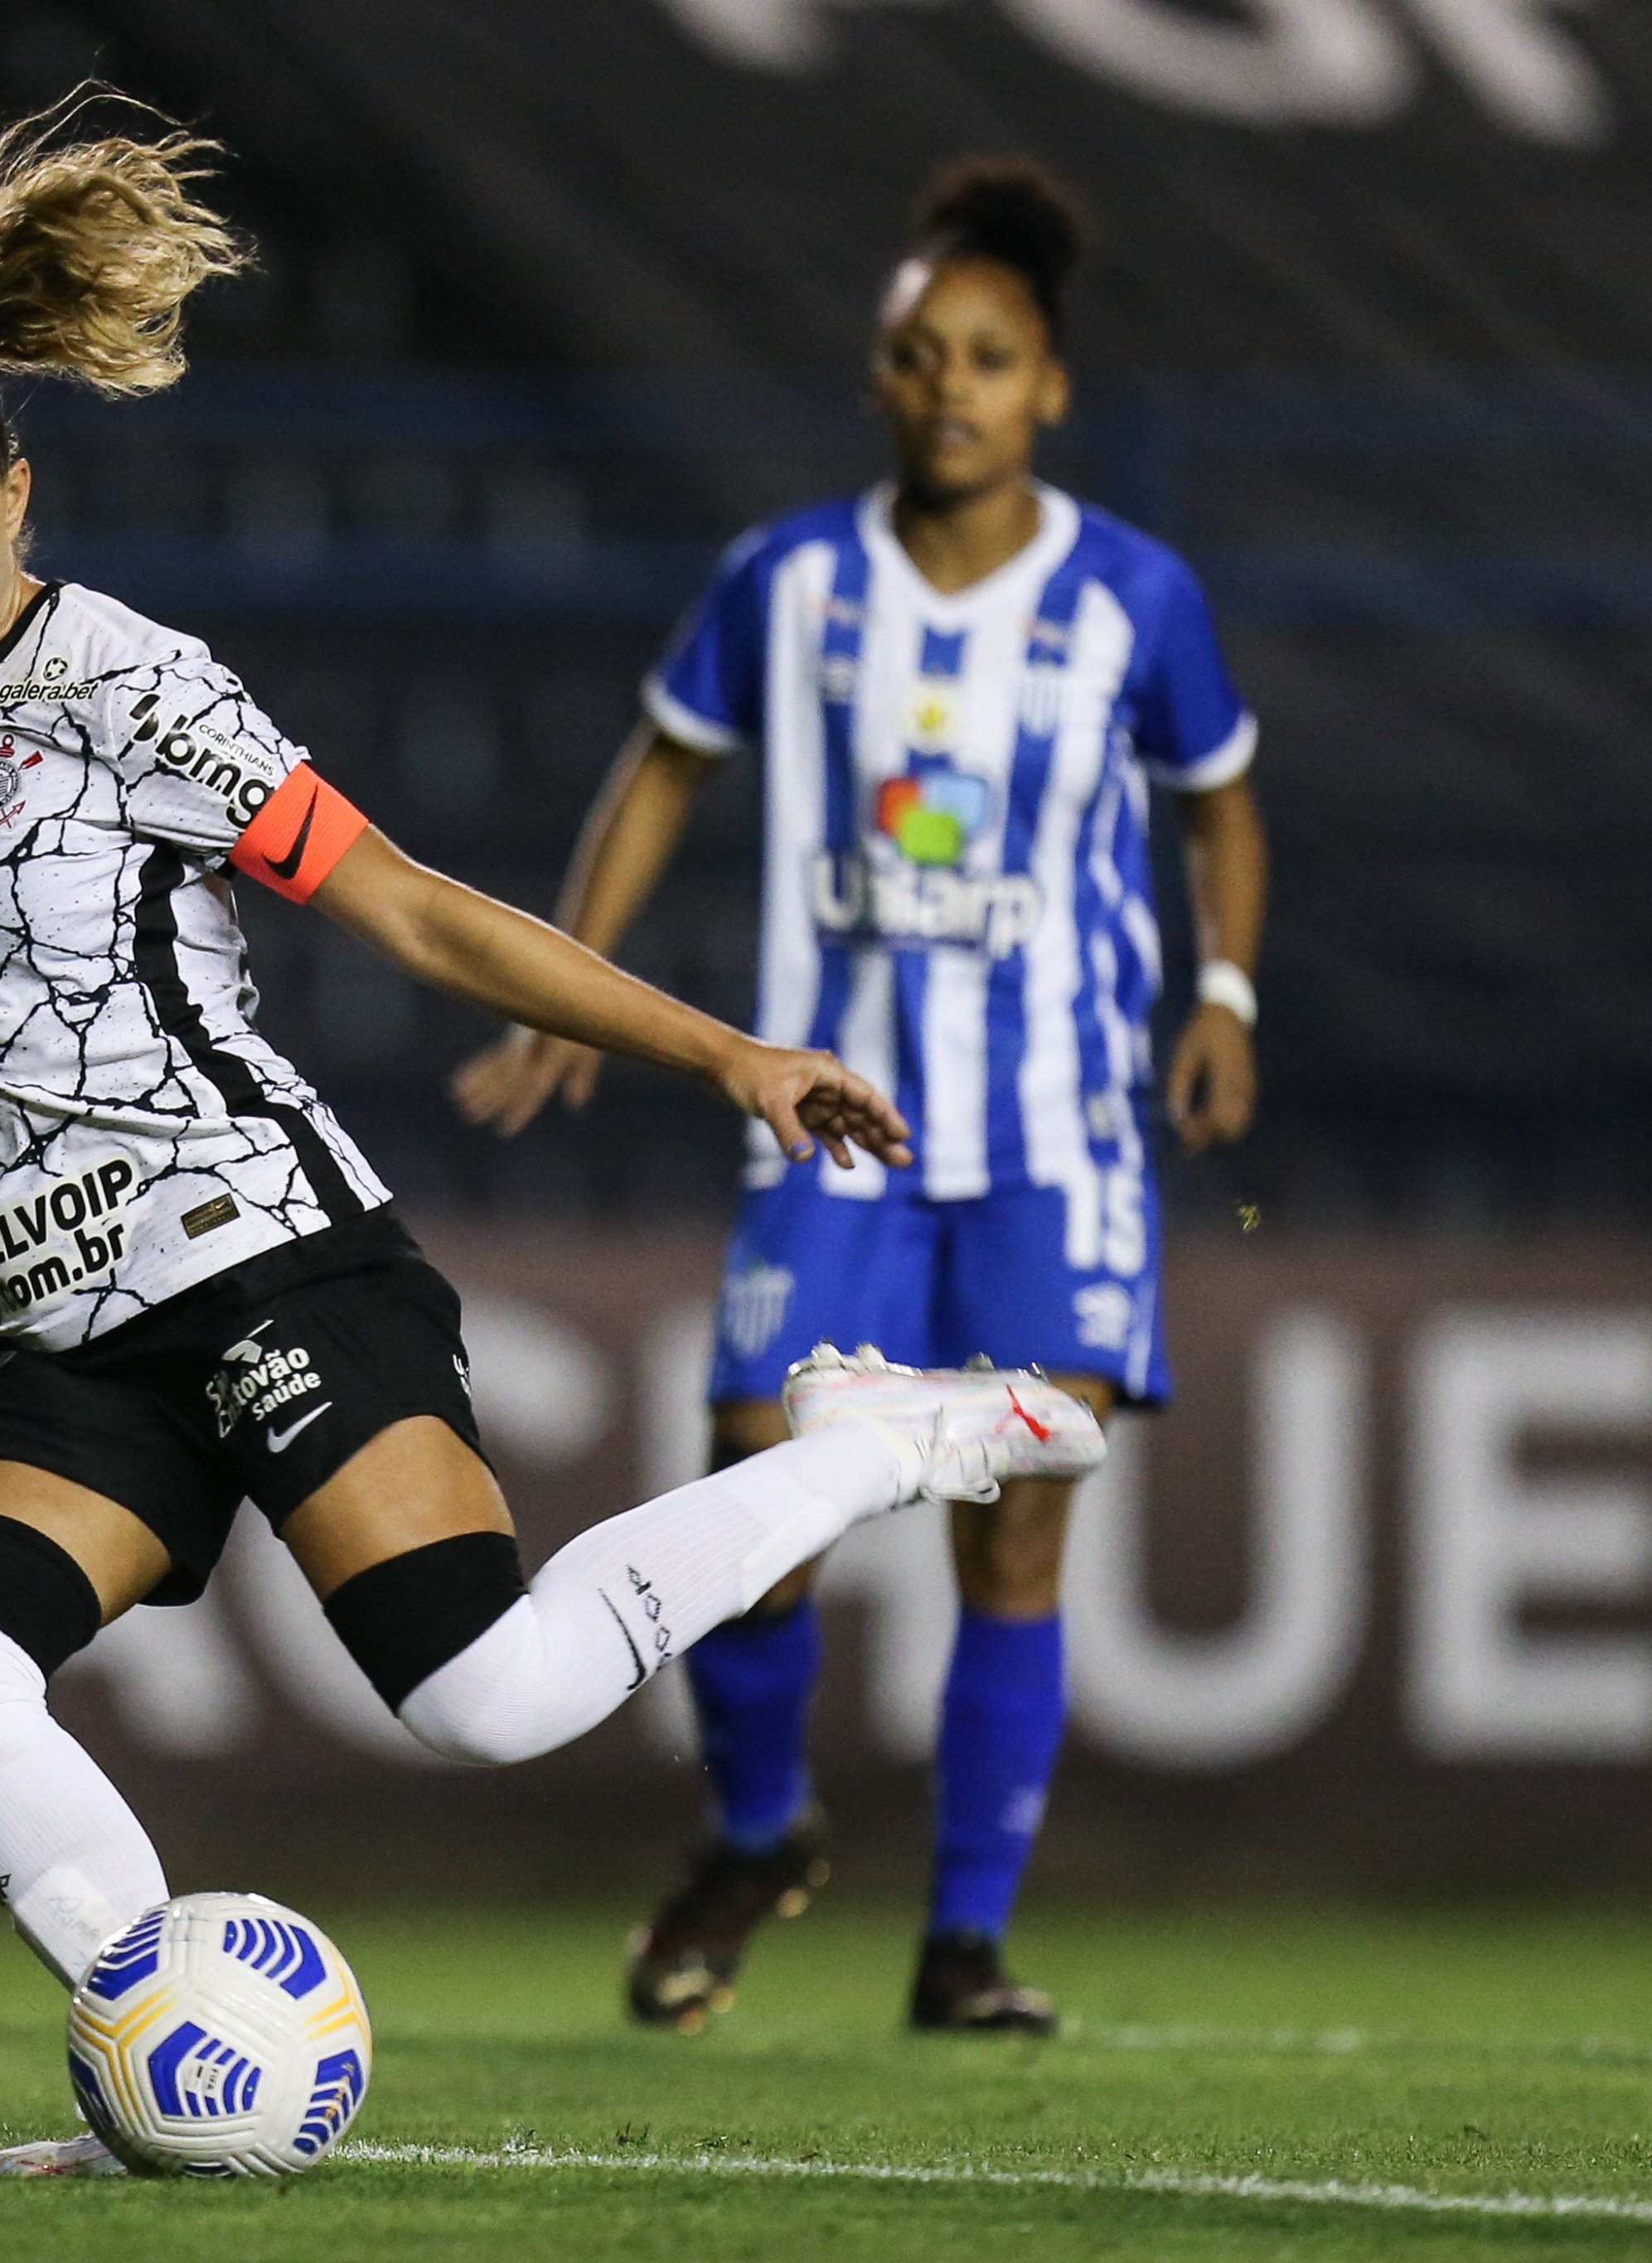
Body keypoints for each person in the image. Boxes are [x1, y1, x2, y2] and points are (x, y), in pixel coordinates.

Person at [0, 100, 1102, 2171]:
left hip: (260, 1248)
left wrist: (724, 1055)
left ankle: (878, 1440)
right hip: (69, 1327)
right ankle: (163, 2055)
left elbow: (407, 902)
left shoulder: (131, 688)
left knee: (483, 1698)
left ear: (18, 487)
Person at [455, 160, 1269, 2036]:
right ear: (879, 378)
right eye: (916, 355)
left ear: (1044, 385)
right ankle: (756, 1831)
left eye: (986, 357)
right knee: (758, 1478)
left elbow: (1218, 796)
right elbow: (658, 767)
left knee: (1016, 1518)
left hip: (1053, 1141)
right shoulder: (787, 581)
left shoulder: (1137, 598)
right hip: (835, 1124)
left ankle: (963, 1945)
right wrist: (586, 984)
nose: (949, 386)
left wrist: (1218, 986)